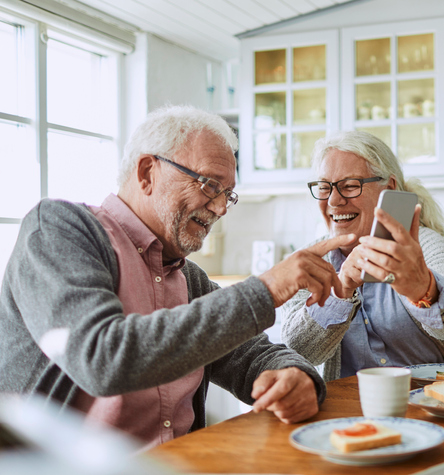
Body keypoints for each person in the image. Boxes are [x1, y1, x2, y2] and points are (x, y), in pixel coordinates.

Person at [0, 105, 355, 449]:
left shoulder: (189, 278)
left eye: (226, 195)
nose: (218, 208)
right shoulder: (58, 231)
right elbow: (101, 359)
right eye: (208, 185)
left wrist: (298, 378)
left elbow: (254, 355)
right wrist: (267, 288)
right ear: (146, 173)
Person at [281, 131, 444, 381]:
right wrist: (341, 290)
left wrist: (424, 289)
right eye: (324, 188)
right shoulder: (308, 260)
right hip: (353, 406)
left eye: (350, 186)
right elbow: (300, 351)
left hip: (434, 399)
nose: (334, 200)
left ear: (390, 188)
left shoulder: (424, 245)